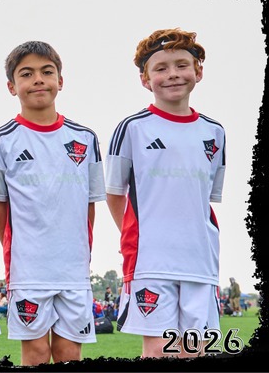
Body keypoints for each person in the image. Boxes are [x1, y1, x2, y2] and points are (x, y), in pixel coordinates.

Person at [106, 28, 225, 358]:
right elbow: (115, 193)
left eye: (181, 65)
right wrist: (139, 236)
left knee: (196, 350)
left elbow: (205, 198)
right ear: (145, 79)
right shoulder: (132, 128)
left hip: (200, 261)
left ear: (198, 71)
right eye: (161, 68)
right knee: (159, 350)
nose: (172, 74)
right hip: (151, 261)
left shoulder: (214, 132)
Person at [0, 41, 103, 365]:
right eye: (26, 74)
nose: (38, 79)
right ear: (12, 86)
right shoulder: (0, 140)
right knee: (35, 353)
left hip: (73, 268)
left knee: (69, 353)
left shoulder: (85, 138)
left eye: (46, 72)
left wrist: (80, 249)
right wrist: (17, 248)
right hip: (29, 269)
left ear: (60, 81)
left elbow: (89, 203)